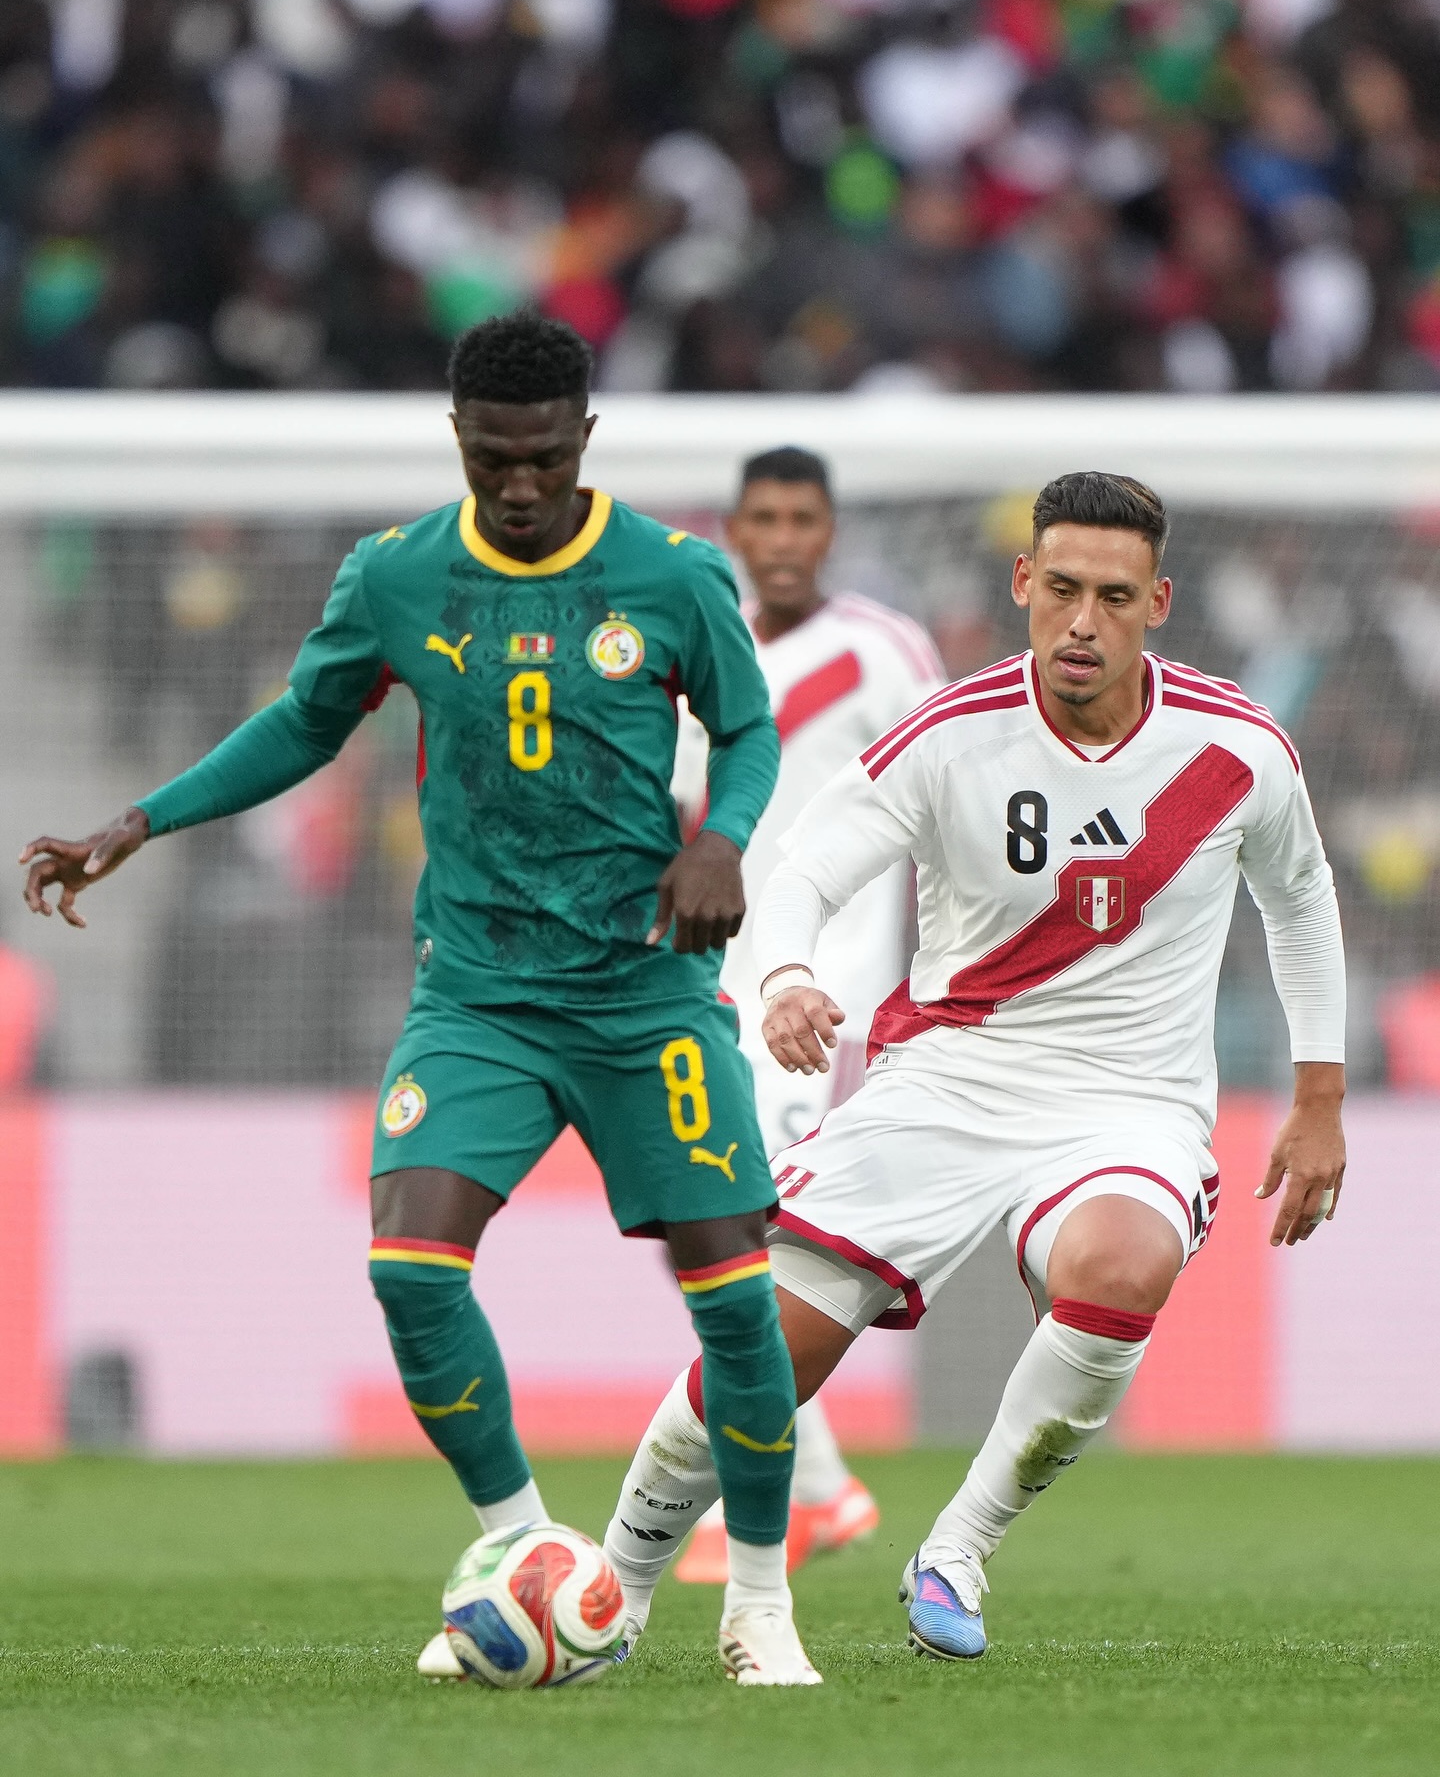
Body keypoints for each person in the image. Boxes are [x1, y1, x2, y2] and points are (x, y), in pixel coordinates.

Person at [17, 310, 822, 1688]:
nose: (519, 487)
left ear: (584, 440)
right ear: (460, 438)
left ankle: (757, 1605)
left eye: (544, 460)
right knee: (410, 1270)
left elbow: (748, 728)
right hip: (483, 996)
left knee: (737, 1302)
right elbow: (305, 721)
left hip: (645, 994)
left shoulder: (674, 573)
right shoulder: (395, 574)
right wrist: (140, 823)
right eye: (494, 459)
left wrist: (721, 842)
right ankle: (529, 1558)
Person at [603, 471, 1347, 1661]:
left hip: (1130, 1104)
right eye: (1060, 591)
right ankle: (614, 1585)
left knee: (1122, 1268)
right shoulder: (951, 734)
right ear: (1022, 585)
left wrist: (1319, 1096)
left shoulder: (1236, 749)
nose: (1082, 623)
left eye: (1113, 597)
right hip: (947, 1081)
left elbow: (1301, 898)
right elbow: (799, 870)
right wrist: (787, 973)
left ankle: (958, 1545)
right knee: (763, 1351)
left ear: (1159, 602)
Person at [665, 446, 945, 1586]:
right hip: (704, 976)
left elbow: (952, 797)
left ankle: (781, 1494)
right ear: (735, 527)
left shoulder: (887, 652)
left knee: (755, 1225)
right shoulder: (698, 643)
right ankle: (817, 1487)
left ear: (830, 531)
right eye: (763, 518)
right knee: (711, 1221)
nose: (782, 538)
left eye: (803, 519)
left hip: (829, 988)